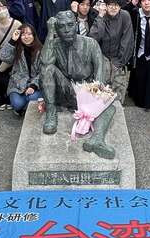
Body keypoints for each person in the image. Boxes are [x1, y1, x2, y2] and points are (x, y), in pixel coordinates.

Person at [40, 11, 115, 159]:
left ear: (76, 25)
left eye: (69, 25)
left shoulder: (90, 43)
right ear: (57, 29)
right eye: (61, 27)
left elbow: (100, 74)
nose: (66, 30)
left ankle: (96, 140)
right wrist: (50, 34)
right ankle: (51, 113)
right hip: (65, 89)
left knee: (108, 107)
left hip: (87, 90)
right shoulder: (54, 44)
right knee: (47, 68)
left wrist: (95, 100)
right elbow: (45, 62)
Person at [89, 0, 134, 103]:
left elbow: (127, 40)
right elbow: (93, 38)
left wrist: (119, 62)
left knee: (117, 91)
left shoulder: (125, 16)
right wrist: (100, 17)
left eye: (117, 5)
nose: (114, 8)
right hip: (102, 59)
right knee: (101, 93)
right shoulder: (101, 16)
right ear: (105, 5)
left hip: (118, 59)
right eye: (111, 5)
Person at [124, 0, 150, 111]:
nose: (146, 3)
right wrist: (132, 4)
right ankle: (139, 100)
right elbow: (123, 13)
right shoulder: (136, 14)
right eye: (143, 0)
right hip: (140, 52)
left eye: (149, 0)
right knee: (140, 81)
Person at [0, 24, 42, 115]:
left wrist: (33, 86)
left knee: (32, 97)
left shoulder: (40, 50)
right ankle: (24, 105)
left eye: (29, 34)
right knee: (17, 104)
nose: (26, 37)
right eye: (23, 34)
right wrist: (12, 41)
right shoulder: (16, 48)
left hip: (35, 85)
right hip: (17, 85)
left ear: (34, 35)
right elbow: (3, 57)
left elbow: (43, 72)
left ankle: (29, 104)